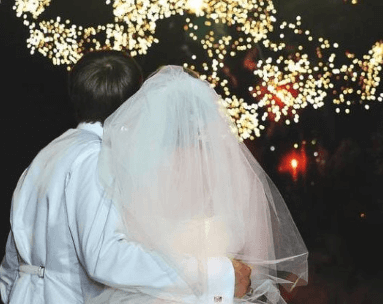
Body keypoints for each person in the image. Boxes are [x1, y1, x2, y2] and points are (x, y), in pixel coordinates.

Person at [0, 50, 251, 304]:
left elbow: (11, 262)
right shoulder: (97, 158)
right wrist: (211, 275)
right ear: (132, 100)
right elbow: (105, 257)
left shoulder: (47, 154)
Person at [93, 65, 309, 304]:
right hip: (222, 295)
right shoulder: (235, 171)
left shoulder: (137, 172)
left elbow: (122, 254)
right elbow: (256, 265)